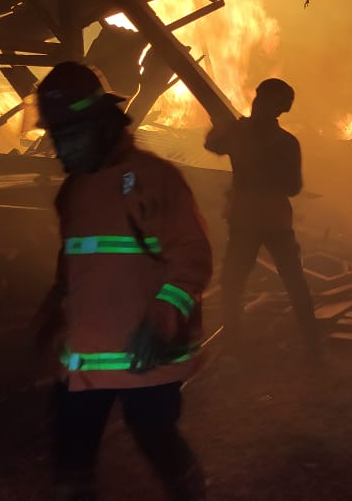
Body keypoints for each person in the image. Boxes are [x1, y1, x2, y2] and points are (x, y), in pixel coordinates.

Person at [31, 61, 211, 501]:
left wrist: (161, 321)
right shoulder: (72, 191)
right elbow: (74, 259)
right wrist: (55, 306)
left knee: (155, 437)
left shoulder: (154, 180)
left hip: (146, 353)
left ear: (101, 125)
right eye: (55, 137)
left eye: (69, 136)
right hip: (87, 360)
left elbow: (192, 257)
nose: (60, 150)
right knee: (71, 460)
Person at [204, 78, 321, 359]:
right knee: (292, 279)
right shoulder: (286, 142)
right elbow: (293, 187)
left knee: (233, 280)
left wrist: (222, 125)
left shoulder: (238, 132)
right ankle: (312, 340)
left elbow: (213, 144)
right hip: (273, 220)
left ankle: (233, 341)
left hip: (246, 219)